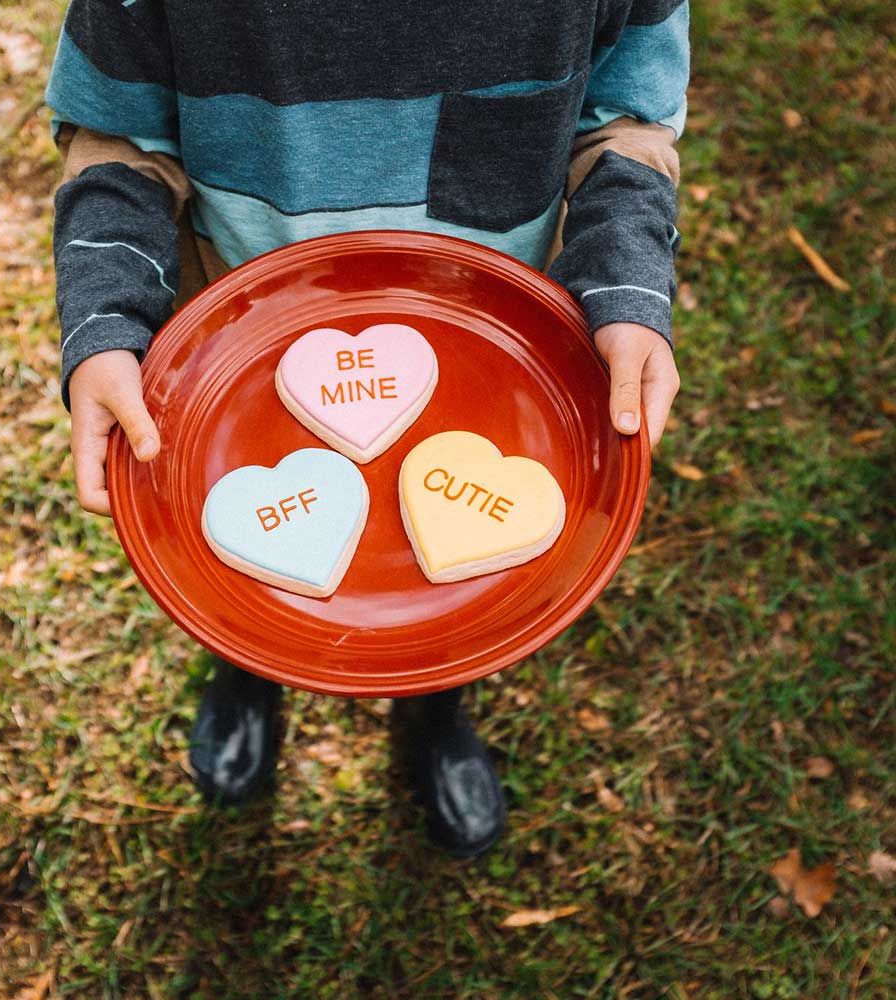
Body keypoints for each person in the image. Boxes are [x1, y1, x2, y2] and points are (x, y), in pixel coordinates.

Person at [45, 0, 687, 860]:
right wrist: (108, 319)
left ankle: (436, 702)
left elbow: (628, 119)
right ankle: (246, 668)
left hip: (491, 344)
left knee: (448, 579)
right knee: (246, 542)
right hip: (232, 341)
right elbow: (117, 135)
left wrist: (627, 281)